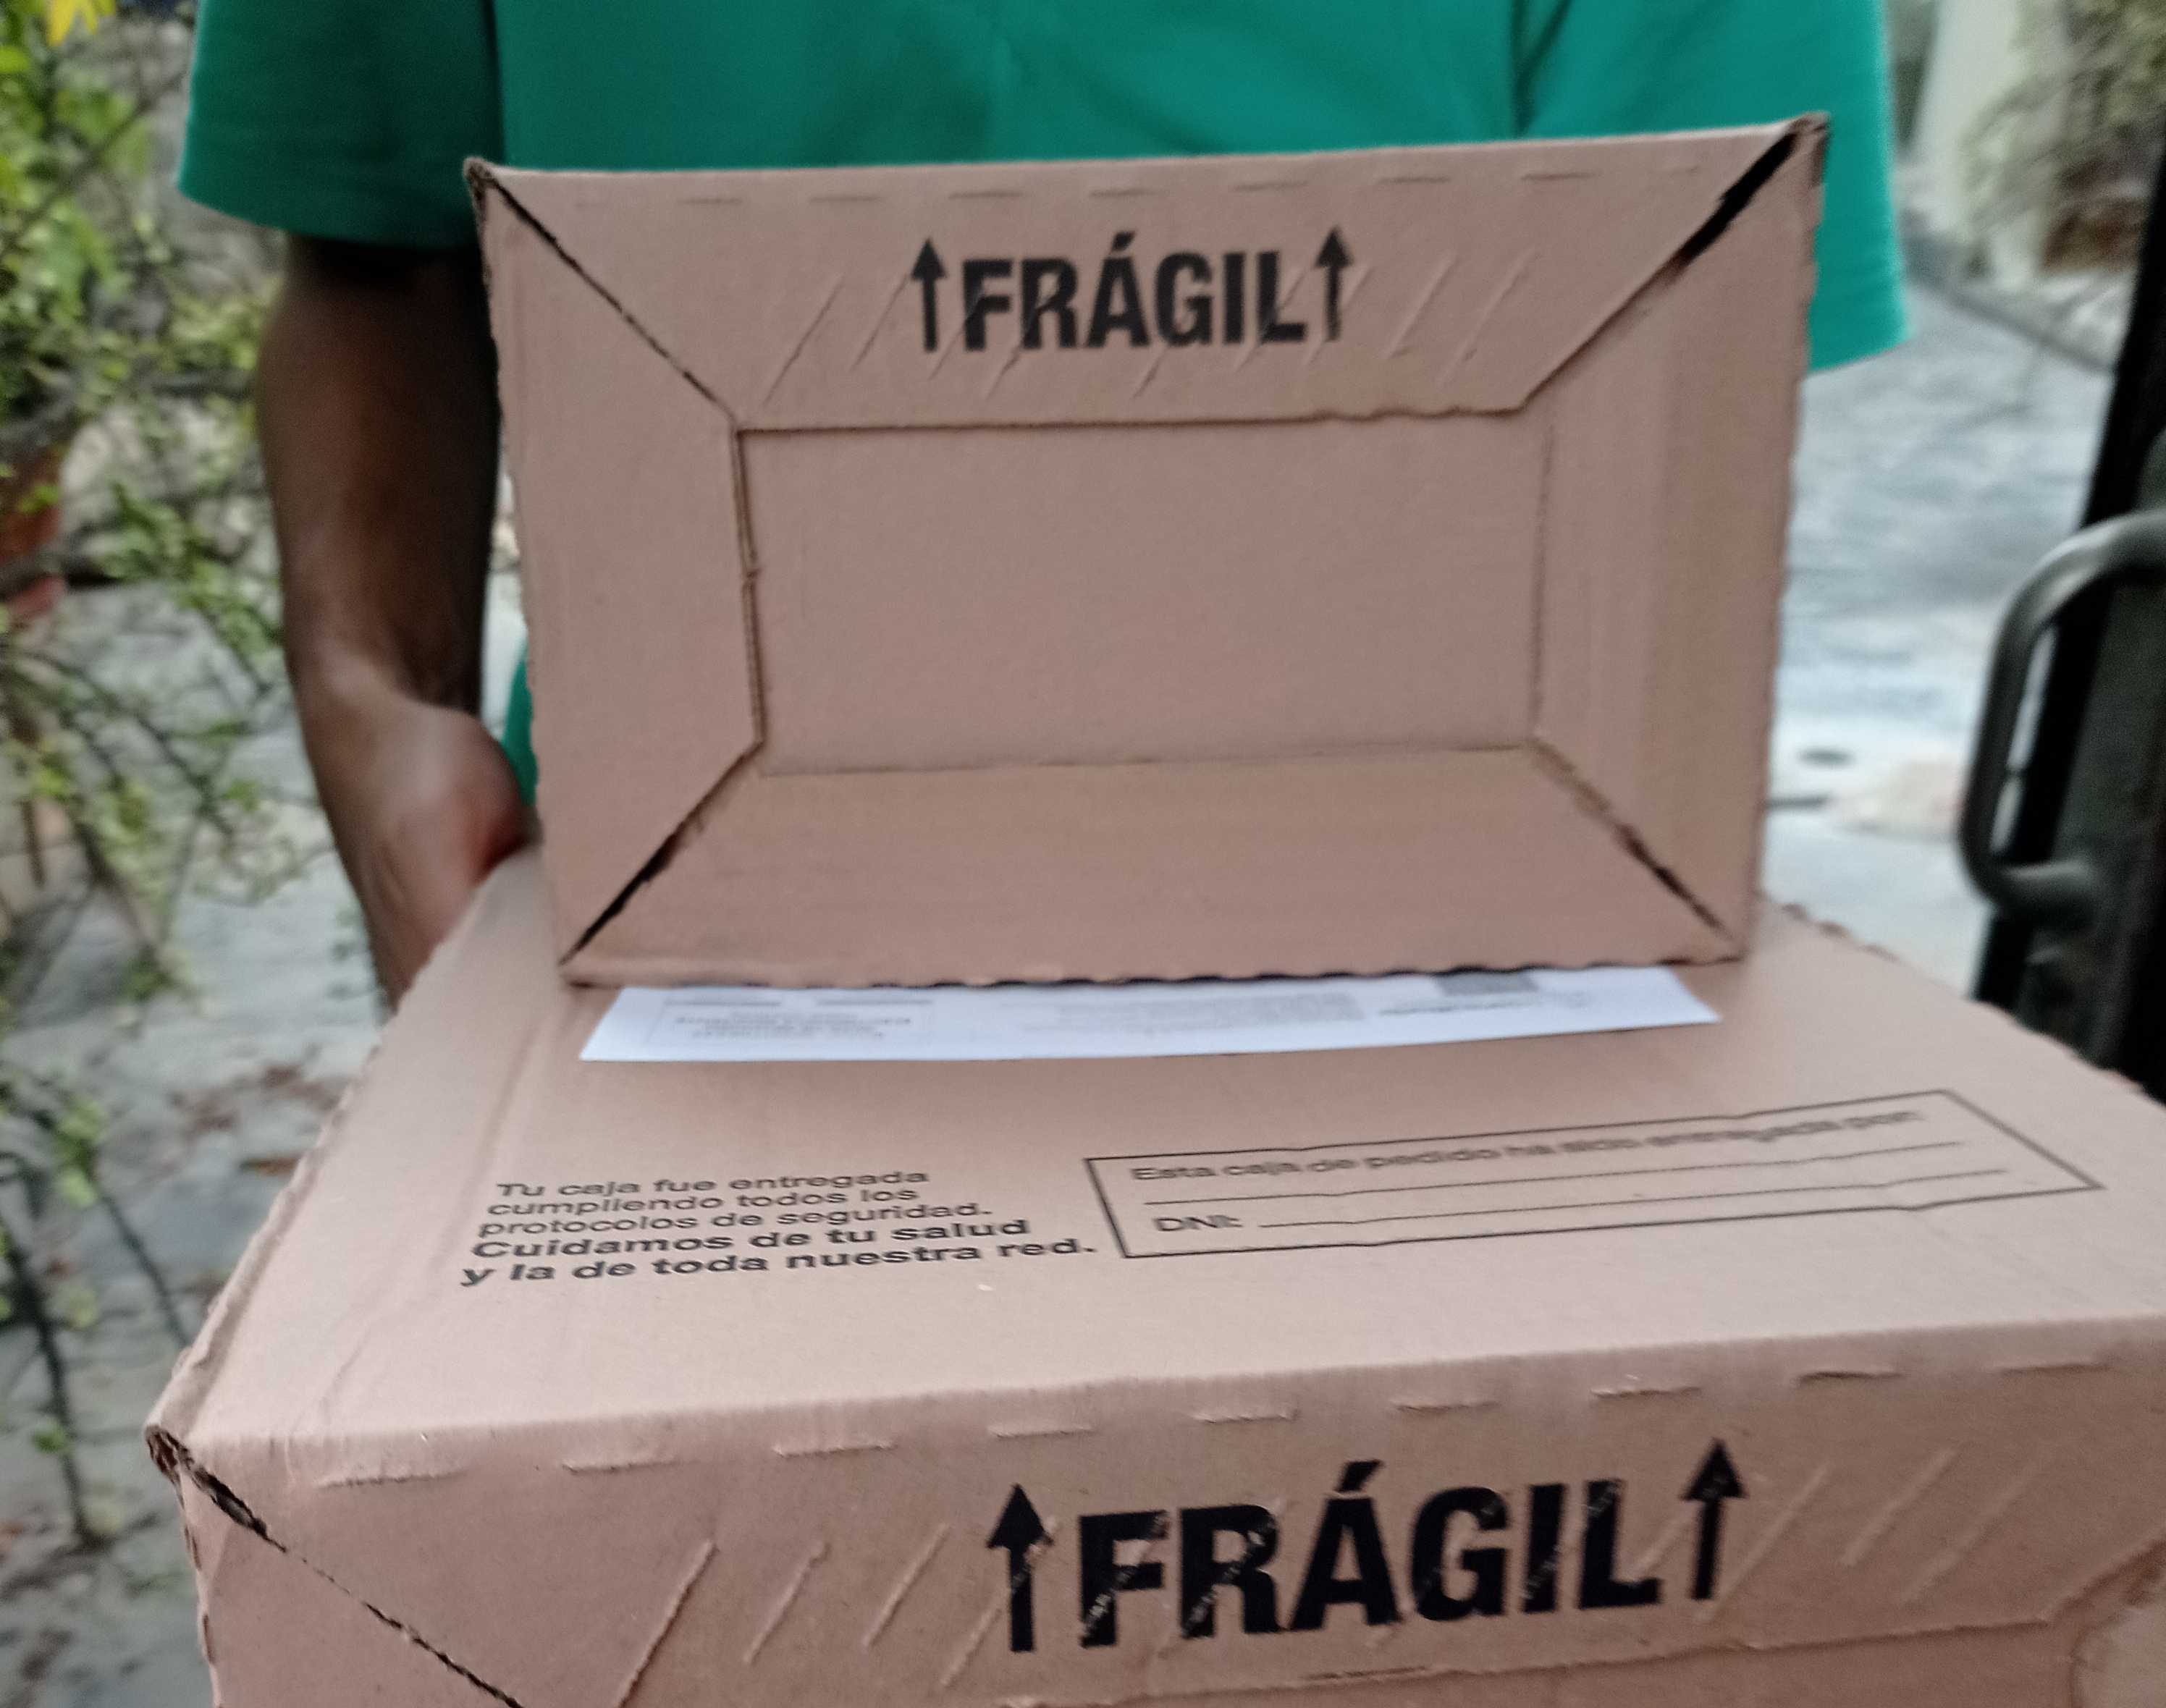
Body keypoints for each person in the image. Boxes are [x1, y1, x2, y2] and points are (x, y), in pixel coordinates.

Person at [179, 1, 1904, 1002]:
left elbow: (1686, 306)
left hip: (1412, 950)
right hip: (668, 926)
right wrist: (370, 707)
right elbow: (373, 237)